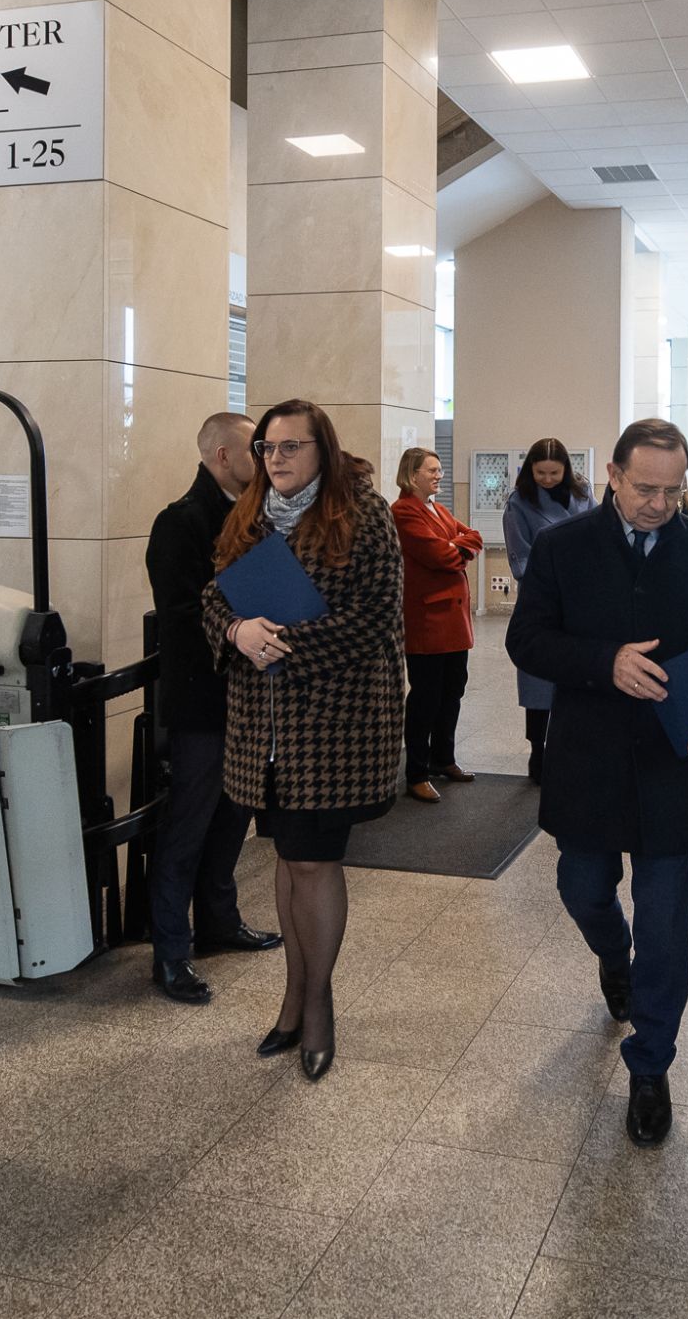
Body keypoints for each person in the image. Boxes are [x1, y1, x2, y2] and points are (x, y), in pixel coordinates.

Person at [507, 418, 688, 1147]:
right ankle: (614, 958)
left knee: (668, 917)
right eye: (645, 487)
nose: (658, 502)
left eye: (673, 489)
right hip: (587, 754)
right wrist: (604, 660)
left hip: (673, 758)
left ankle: (650, 1064)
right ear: (611, 475)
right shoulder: (563, 546)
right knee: (581, 888)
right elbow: (528, 639)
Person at [203, 399, 403, 1081]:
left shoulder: (362, 515)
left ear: (324, 449)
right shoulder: (250, 515)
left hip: (333, 727)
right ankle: (293, 999)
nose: (278, 458)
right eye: (268, 447)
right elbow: (213, 596)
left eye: (293, 446)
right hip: (265, 733)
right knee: (288, 863)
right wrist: (236, 632)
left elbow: (373, 617)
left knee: (314, 864)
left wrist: (278, 642)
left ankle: (316, 1007)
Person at [143, 412, 283, 1005]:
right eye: (256, 448)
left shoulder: (255, 518)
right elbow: (179, 617)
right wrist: (237, 627)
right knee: (190, 824)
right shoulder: (180, 522)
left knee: (235, 816)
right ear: (223, 455)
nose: (267, 458)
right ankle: (172, 952)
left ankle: (219, 923)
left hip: (249, 697)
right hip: (204, 699)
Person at [391, 447, 484, 804]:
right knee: (426, 698)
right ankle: (416, 772)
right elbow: (441, 556)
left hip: (453, 620)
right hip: (428, 621)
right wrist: (456, 547)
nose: (439, 475)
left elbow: (471, 537)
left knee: (453, 691)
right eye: (432, 470)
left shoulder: (437, 508)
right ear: (412, 474)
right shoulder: (404, 512)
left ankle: (443, 758)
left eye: (440, 469)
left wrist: (456, 544)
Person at [502, 437, 594, 782]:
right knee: (540, 684)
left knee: (578, 679)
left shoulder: (583, 495)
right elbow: (521, 559)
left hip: (582, 603)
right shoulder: (519, 503)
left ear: (566, 470)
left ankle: (574, 750)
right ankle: (537, 754)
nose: (548, 479)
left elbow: (601, 536)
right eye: (540, 473)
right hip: (542, 604)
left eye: (554, 473)